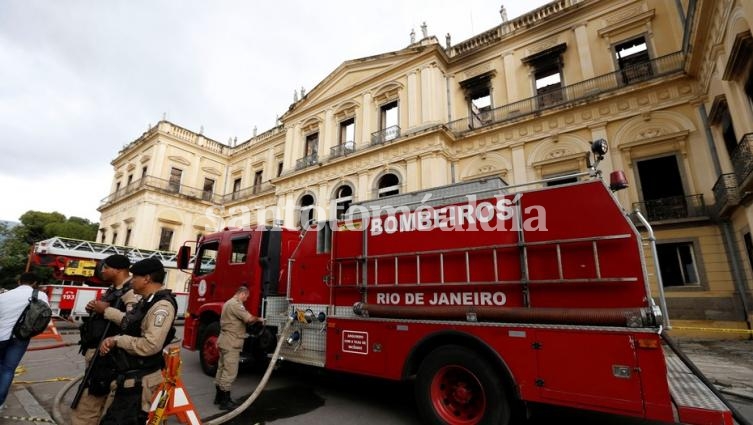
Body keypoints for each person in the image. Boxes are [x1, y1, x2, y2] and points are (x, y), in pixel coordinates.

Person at [94, 258, 176, 424]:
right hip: (129, 377)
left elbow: (150, 345)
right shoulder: (147, 302)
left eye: (135, 277)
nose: (131, 281)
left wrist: (118, 340)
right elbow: (130, 322)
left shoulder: (161, 307)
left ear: (147, 279)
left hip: (140, 381)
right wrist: (108, 312)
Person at [71, 254, 140, 425]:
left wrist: (105, 311)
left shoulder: (131, 292)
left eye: (106, 267)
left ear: (118, 270)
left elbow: (132, 323)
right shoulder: (112, 289)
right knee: (91, 398)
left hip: (110, 356)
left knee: (92, 401)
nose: (102, 270)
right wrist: (94, 310)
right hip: (97, 354)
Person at [0, 272, 49, 410]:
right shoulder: (41, 296)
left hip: (1, 336)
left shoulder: (4, 296)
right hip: (21, 337)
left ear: (19, 281)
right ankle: (0, 403)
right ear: (35, 283)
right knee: (8, 370)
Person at [214, 285, 264, 410]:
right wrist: (260, 319)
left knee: (221, 368)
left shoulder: (227, 303)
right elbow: (249, 319)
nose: (246, 299)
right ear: (242, 294)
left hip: (224, 340)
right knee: (230, 372)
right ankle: (225, 402)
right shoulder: (236, 304)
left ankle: (218, 397)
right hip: (232, 342)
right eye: (246, 297)